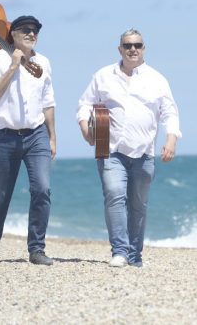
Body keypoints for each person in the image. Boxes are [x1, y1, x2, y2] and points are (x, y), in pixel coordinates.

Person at [76, 29, 181, 268]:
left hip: (144, 153)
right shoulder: (103, 76)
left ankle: (135, 255)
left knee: (138, 205)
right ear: (120, 49)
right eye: (127, 45)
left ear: (144, 48)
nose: (132, 49)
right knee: (114, 196)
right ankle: (120, 251)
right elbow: (84, 105)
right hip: (110, 149)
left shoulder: (157, 79)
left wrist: (171, 140)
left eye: (137, 45)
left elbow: (170, 112)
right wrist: (85, 128)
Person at [0, 15, 56, 266]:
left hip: (36, 135)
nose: (32, 34)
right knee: (0, 195)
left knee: (42, 189)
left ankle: (36, 249)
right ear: (12, 33)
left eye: (35, 31)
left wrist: (52, 137)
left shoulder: (43, 62)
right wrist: (13, 66)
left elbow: (48, 103)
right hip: (4, 136)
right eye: (26, 30)